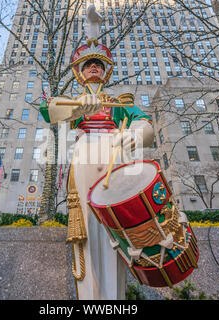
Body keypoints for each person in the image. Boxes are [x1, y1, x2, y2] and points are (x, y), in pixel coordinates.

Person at [40, 12, 154, 299]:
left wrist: (135, 134)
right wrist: (79, 108)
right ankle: (90, 297)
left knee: (118, 226)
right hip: (86, 156)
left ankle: (114, 298)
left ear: (105, 72)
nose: (94, 68)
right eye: (88, 65)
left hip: (117, 158)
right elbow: (49, 111)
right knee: (90, 228)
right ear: (79, 72)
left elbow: (144, 124)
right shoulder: (73, 100)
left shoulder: (118, 103)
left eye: (98, 65)